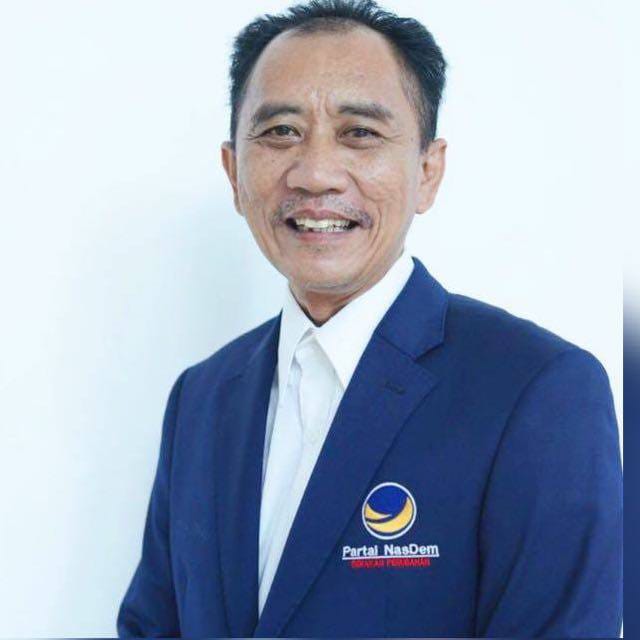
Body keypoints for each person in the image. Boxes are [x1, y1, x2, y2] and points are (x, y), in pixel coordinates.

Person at [116, 0, 623, 637]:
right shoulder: (202, 398)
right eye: (280, 132)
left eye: (359, 133)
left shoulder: (537, 390)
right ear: (233, 171)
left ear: (428, 171)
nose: (316, 174)